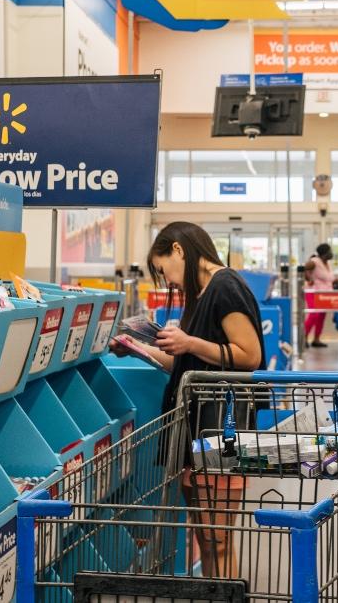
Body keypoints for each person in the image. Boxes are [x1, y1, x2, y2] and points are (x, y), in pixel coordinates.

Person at [109, 221, 264, 578]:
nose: (169, 283)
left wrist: (189, 342)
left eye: (165, 270)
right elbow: (184, 363)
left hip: (221, 429)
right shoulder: (201, 294)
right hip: (196, 428)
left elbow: (249, 354)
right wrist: (138, 348)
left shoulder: (226, 287)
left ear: (178, 249)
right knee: (207, 537)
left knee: (218, 538)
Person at [303, 243, 334, 348]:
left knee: (321, 316)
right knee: (314, 315)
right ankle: (304, 338)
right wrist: (309, 278)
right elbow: (304, 268)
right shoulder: (315, 261)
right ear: (324, 253)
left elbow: (328, 277)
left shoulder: (327, 263)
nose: (331, 253)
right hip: (313, 293)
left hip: (324, 295)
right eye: (329, 251)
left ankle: (316, 339)